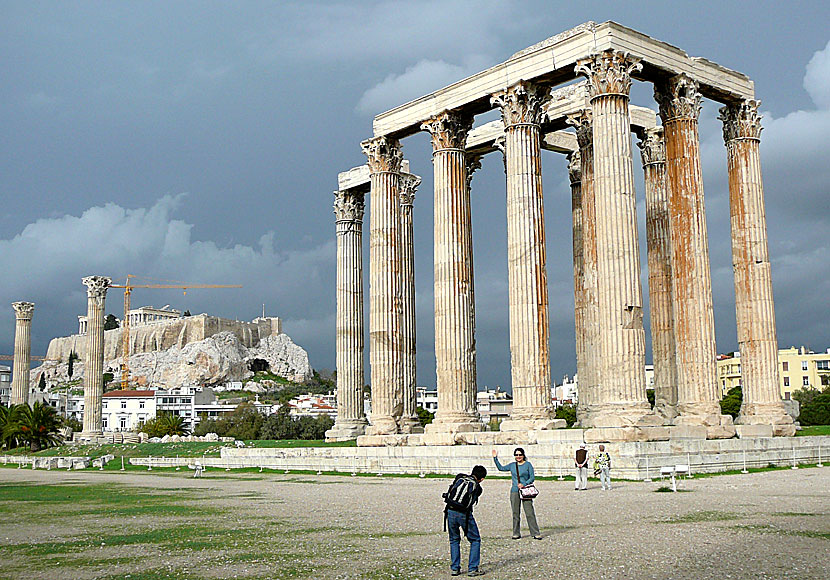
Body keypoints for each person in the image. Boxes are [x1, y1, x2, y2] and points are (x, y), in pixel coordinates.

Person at [444, 465, 487, 577]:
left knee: (454, 540)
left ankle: (455, 568)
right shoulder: (477, 487)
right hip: (464, 514)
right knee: (475, 539)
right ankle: (472, 568)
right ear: (482, 479)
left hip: (450, 511)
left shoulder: (460, 478)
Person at [492, 448, 542, 540]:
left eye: (520, 454)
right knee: (515, 513)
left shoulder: (528, 465)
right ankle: (516, 533)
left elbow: (532, 478)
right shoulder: (512, 465)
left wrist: (524, 484)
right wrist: (495, 458)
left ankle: (535, 532)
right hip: (515, 491)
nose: (518, 456)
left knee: (529, 512)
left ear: (523, 455)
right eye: (516, 455)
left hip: (525, 491)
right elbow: (501, 468)